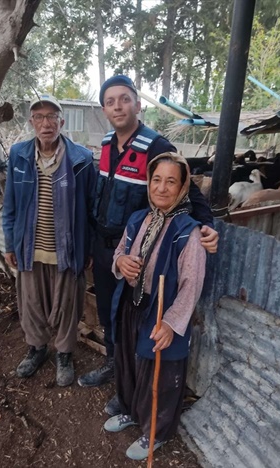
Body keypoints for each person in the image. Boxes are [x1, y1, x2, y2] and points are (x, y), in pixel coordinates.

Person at [77, 75, 218, 396]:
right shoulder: (106, 145)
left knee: (132, 318)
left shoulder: (156, 146)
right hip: (105, 250)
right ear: (104, 109)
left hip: (137, 256)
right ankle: (114, 364)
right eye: (111, 101)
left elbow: (188, 191)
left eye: (124, 99)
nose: (118, 106)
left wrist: (208, 224)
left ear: (137, 105)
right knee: (107, 313)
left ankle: (132, 381)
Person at [103, 152, 206, 460]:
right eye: (156, 180)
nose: (161, 188)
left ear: (183, 186)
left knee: (157, 376)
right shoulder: (138, 219)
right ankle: (131, 412)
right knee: (129, 365)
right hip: (133, 308)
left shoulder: (190, 232)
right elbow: (119, 253)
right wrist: (121, 261)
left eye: (171, 181)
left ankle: (155, 433)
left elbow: (192, 285)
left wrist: (172, 324)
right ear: (148, 183)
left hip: (161, 315)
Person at [2, 93, 96, 387]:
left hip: (66, 250)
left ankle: (65, 354)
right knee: (31, 304)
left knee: (67, 305)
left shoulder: (81, 158)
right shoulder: (18, 155)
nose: (46, 123)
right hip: (30, 248)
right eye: (40, 117)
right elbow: (10, 205)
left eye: (52, 117)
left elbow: (91, 207)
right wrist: (9, 244)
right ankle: (37, 349)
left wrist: (88, 247)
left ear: (61, 122)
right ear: (32, 122)